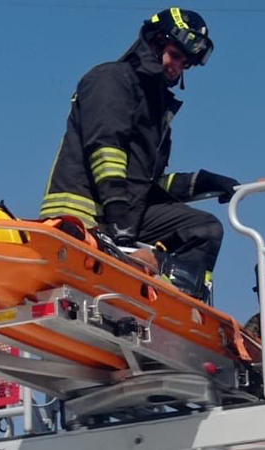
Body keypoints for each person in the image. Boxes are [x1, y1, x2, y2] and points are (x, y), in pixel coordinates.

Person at [39, 7, 238, 301]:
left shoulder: (155, 107)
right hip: (85, 214)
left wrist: (201, 182)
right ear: (154, 42)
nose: (178, 67)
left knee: (203, 229)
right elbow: (106, 149)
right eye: (175, 55)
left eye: (186, 63)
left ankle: (182, 300)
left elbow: (144, 183)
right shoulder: (111, 79)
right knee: (198, 229)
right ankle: (161, 287)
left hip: (124, 215)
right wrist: (118, 214)